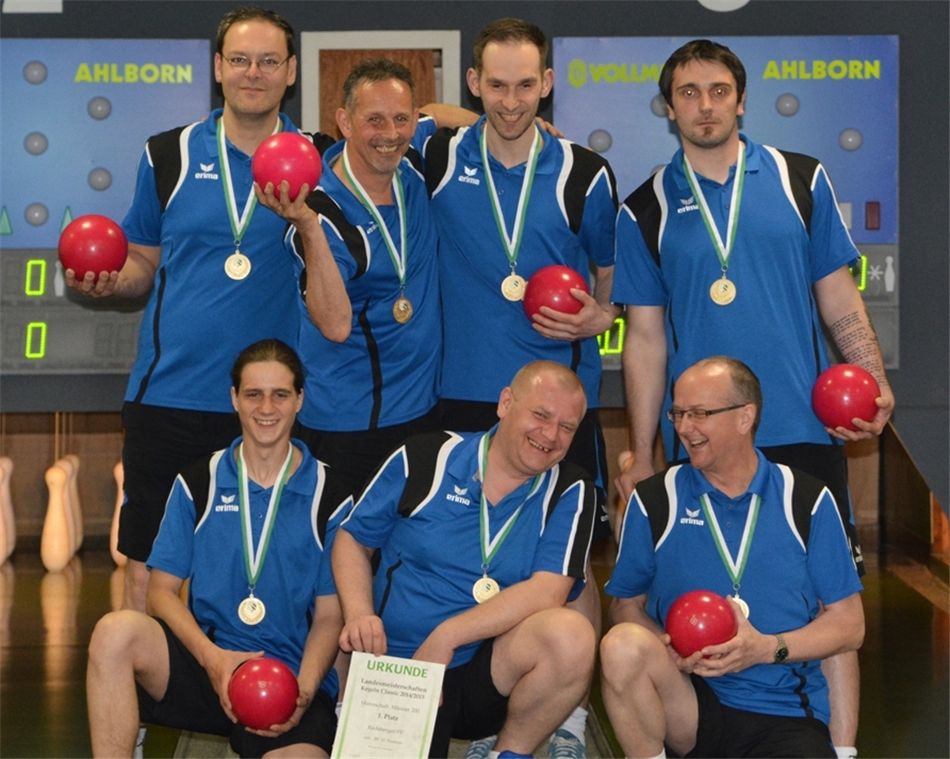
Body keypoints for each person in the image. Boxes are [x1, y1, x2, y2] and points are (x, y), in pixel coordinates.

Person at [612, 39, 894, 756]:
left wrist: (874, 373)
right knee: (705, 602)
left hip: (801, 429)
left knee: (827, 605)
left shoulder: (802, 180)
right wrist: (645, 451)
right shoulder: (645, 205)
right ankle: (706, 733)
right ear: (668, 104)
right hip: (701, 441)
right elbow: (644, 340)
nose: (703, 105)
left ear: (740, 99)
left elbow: (838, 295)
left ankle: (839, 745)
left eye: (717, 90)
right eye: (687, 92)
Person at [414, 21, 619, 754]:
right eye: (495, 86)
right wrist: (448, 115)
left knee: (568, 563)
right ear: (473, 83)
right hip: (457, 396)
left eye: (525, 85)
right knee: (456, 547)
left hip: (559, 402)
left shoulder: (585, 173)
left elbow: (609, 285)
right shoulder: (434, 153)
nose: (510, 101)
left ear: (548, 84)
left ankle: (562, 712)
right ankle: (451, 697)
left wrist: (603, 316)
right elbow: (385, 124)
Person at [65, 6, 312, 612]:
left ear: (291, 71)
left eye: (268, 61)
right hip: (171, 396)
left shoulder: (318, 159)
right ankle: (146, 700)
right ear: (217, 67)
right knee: (149, 564)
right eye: (240, 59)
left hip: (271, 403)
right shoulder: (167, 155)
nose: (253, 73)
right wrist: (107, 280)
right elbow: (141, 265)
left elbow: (409, 137)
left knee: (264, 565)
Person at [85, 339, 352, 758]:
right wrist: (212, 660)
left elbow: (330, 615)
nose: (266, 408)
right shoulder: (198, 481)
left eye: (280, 394)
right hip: (208, 663)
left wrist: (303, 689)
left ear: (299, 399)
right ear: (234, 399)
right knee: (114, 633)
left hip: (289, 679)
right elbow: (160, 591)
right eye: (253, 394)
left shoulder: (330, 493)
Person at [601, 356, 864, 759]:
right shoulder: (655, 500)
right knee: (621, 646)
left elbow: (848, 626)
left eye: (700, 413)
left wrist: (765, 648)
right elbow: (625, 606)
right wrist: (667, 646)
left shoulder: (807, 500)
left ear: (745, 417)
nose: (685, 428)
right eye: (678, 413)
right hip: (690, 705)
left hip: (785, 713)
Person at [332, 360, 597, 759]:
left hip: (487, 669)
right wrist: (358, 613)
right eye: (540, 415)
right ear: (506, 403)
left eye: (567, 427)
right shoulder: (426, 456)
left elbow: (549, 590)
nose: (550, 435)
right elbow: (353, 538)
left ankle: (507, 751)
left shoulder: (572, 489)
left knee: (570, 634)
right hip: (398, 665)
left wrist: (448, 635)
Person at [257, 58, 441, 497]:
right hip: (347, 426)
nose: (390, 134)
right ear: (344, 121)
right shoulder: (321, 213)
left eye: (401, 118)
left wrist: (537, 133)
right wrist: (305, 224)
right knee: (342, 557)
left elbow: (443, 116)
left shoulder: (413, 164)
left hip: (422, 415)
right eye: (374, 120)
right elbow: (335, 324)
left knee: (407, 559)